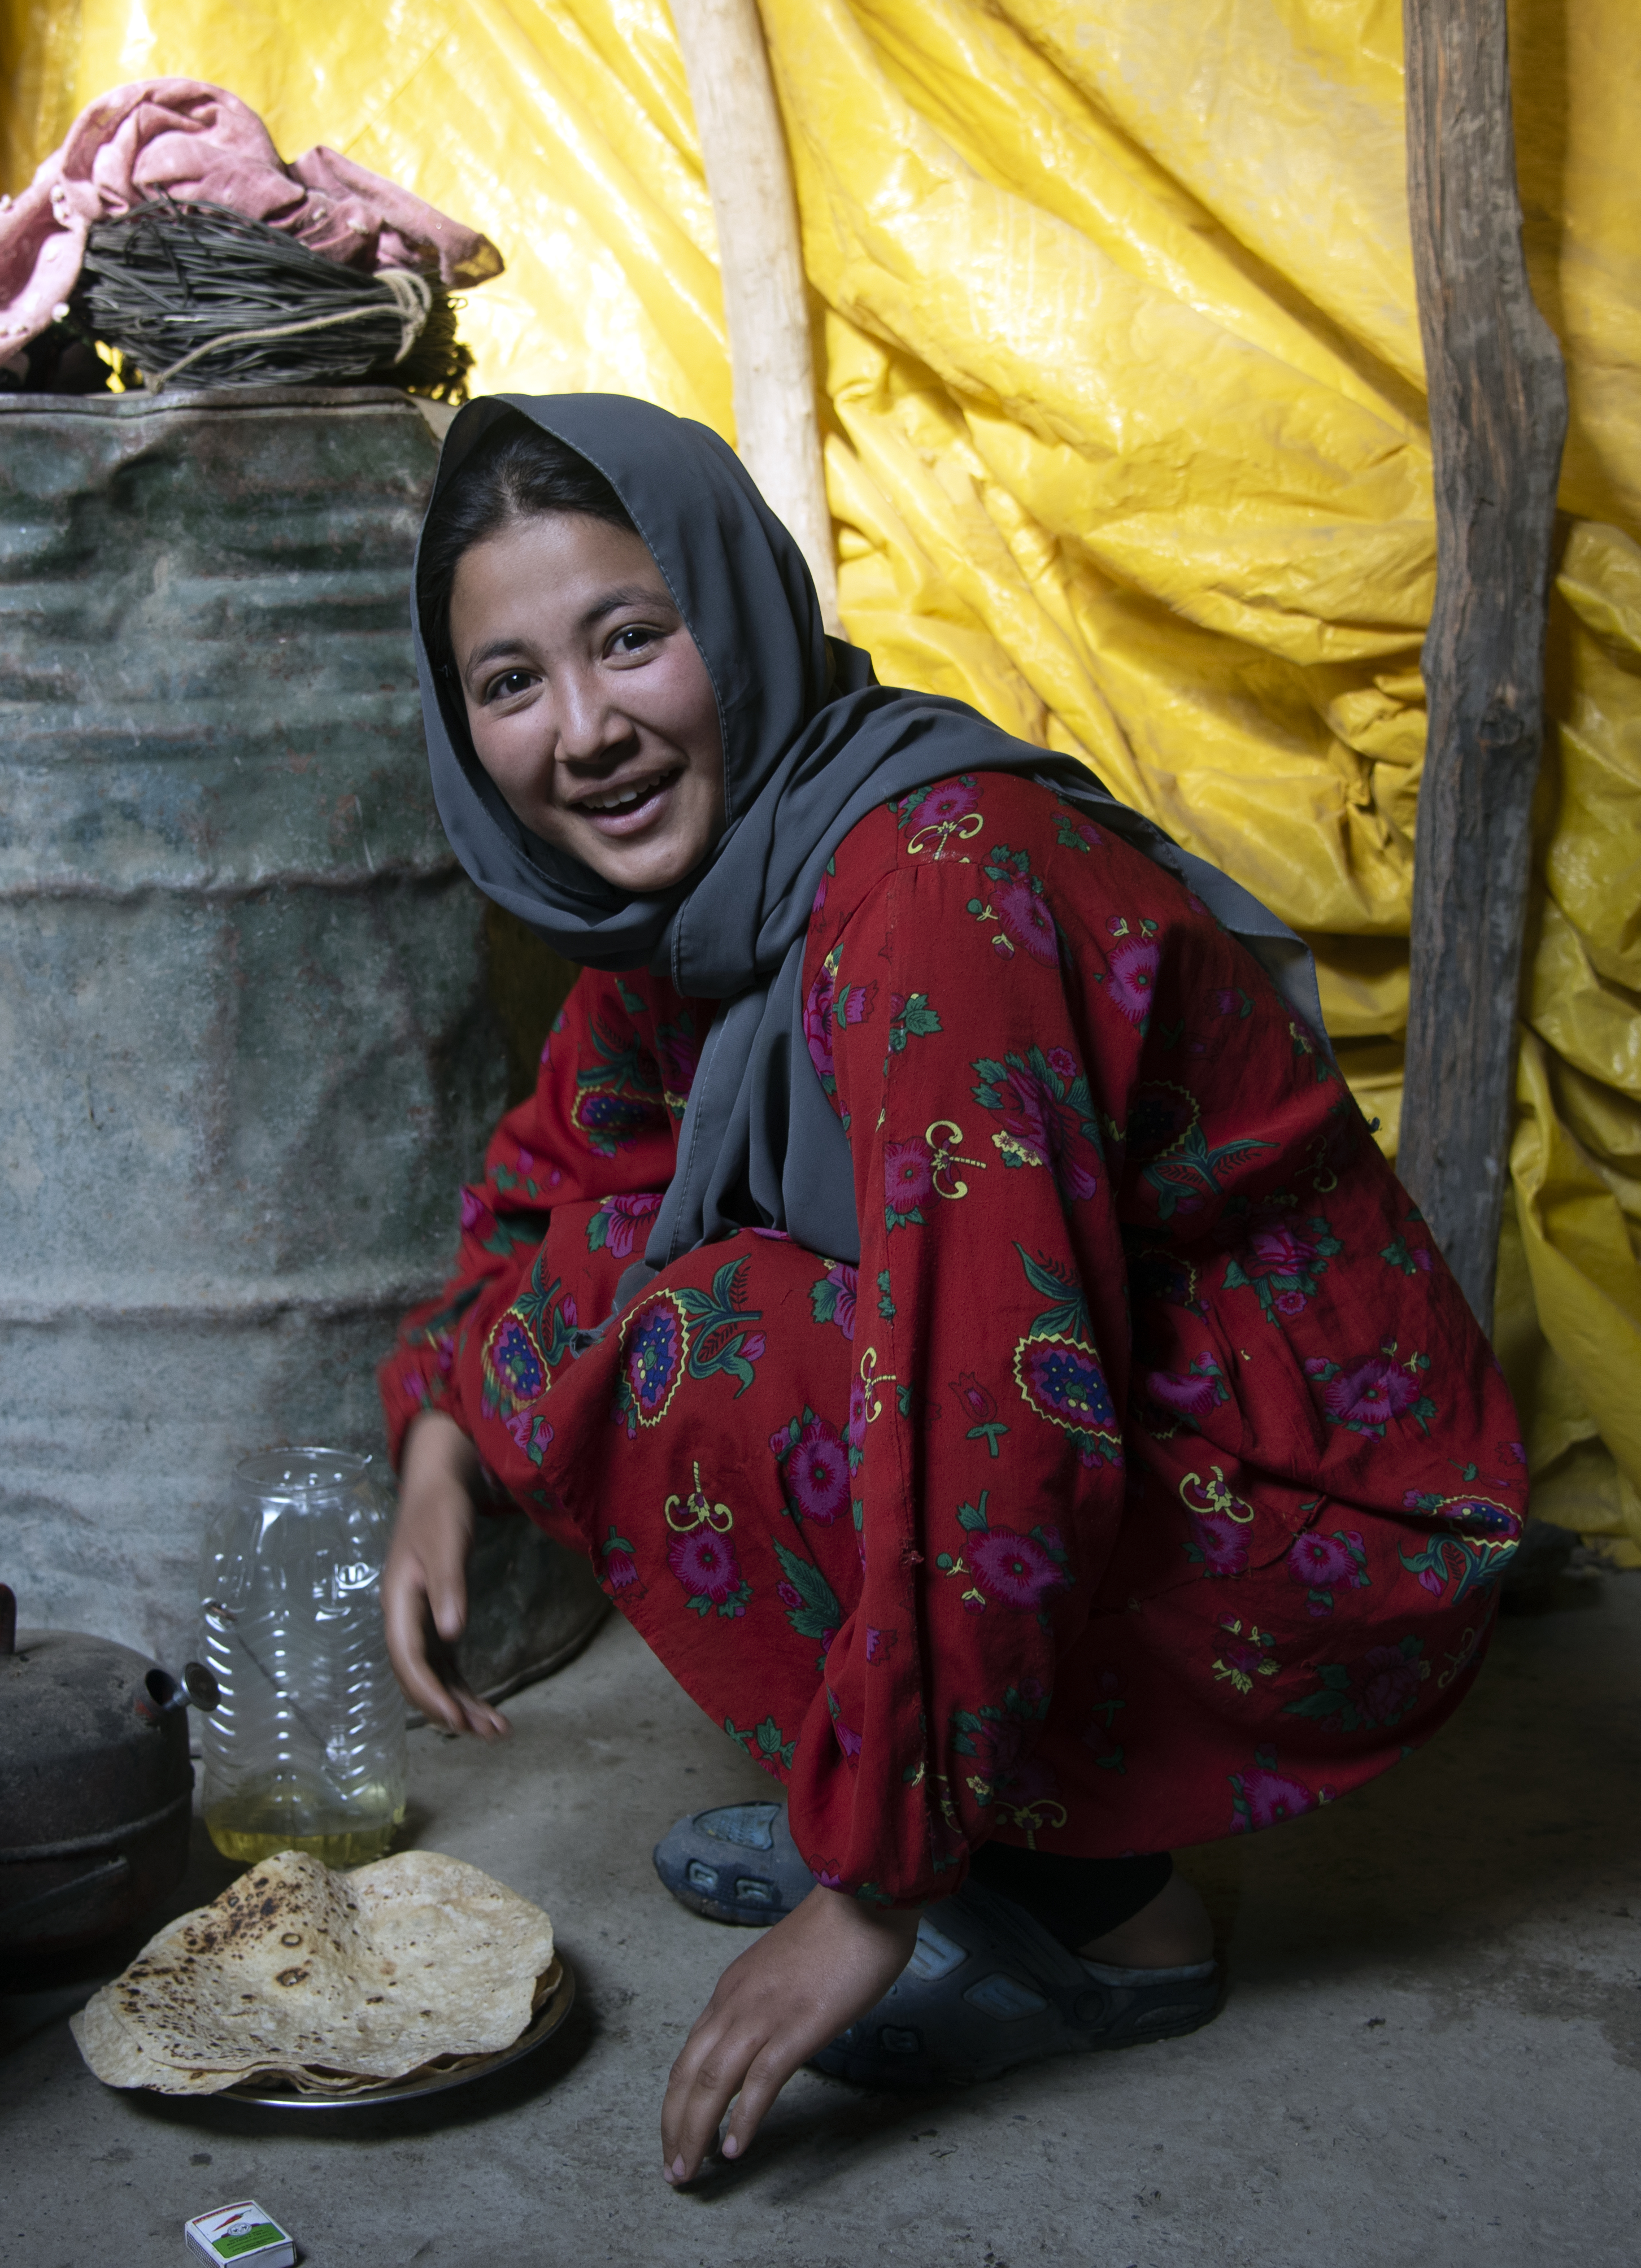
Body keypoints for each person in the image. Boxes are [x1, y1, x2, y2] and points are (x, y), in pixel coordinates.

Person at [375, 395, 1525, 2186]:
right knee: (606, 1292)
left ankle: (1109, 1915)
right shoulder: (718, 885)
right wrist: (445, 1428)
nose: (586, 734)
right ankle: (959, 1809)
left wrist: (870, 1890)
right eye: (510, 683)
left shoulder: (936, 881)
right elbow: (561, 1174)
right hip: (1125, 1418)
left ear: (737, 621)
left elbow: (996, 1409)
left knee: (726, 1345)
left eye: (631, 637)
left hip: (1312, 1520)